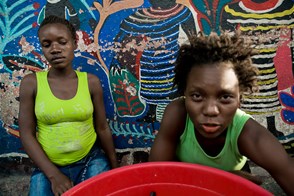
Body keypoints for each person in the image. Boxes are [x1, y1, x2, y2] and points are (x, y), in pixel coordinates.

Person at [148, 31, 294, 195]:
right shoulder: (177, 114)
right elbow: (156, 178)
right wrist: (223, 179)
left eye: (225, 97)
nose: (211, 110)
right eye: (197, 96)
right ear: (185, 94)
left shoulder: (249, 135)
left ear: (239, 100)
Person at [19, 15, 118, 196]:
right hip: (48, 165)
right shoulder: (31, 83)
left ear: (74, 43)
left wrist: (114, 165)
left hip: (90, 160)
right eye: (47, 44)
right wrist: (53, 175)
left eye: (62, 42)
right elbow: (26, 134)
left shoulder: (90, 82)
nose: (55, 49)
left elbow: (102, 127)